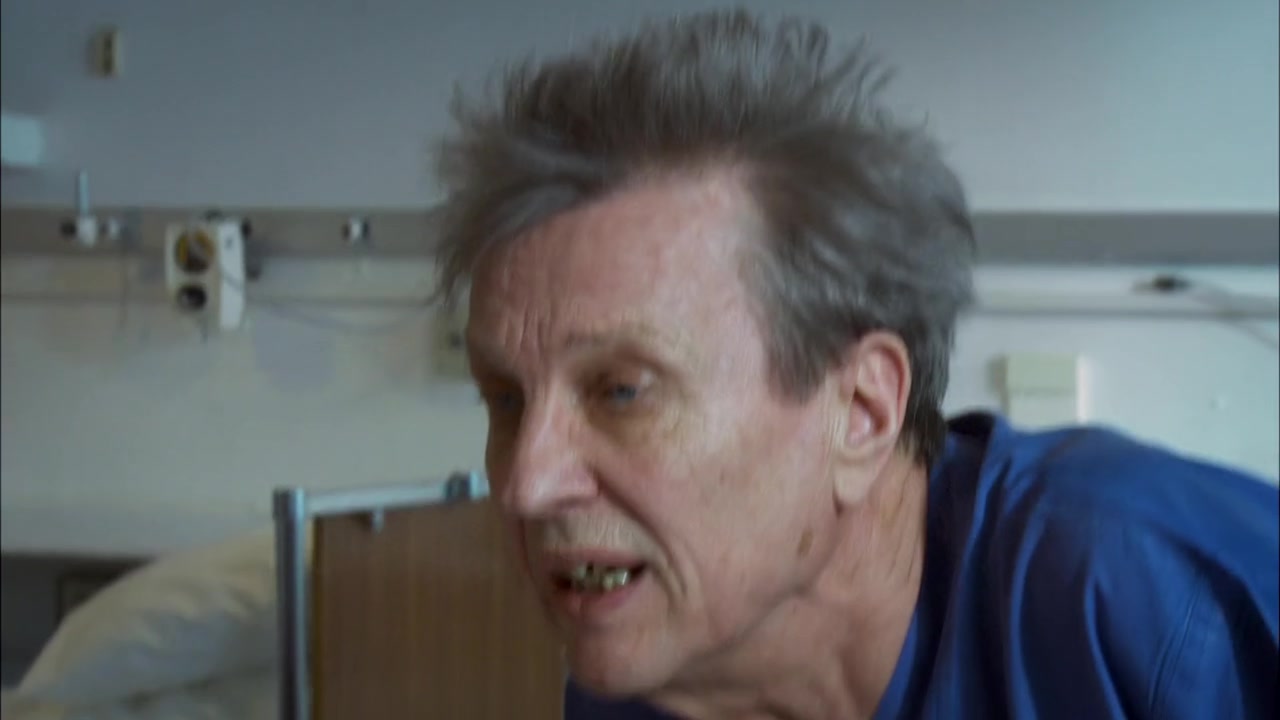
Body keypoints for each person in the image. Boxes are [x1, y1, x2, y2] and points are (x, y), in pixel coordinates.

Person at [429, 9, 1279, 719]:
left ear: (861, 413)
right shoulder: (635, 670)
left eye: (622, 391)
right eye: (504, 398)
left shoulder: (1151, 597)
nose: (525, 485)